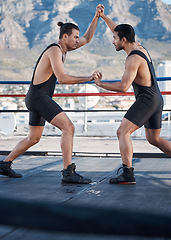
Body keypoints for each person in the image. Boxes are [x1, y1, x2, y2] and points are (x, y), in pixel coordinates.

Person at [0, 7, 100, 184]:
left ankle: (5, 164)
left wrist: (96, 17)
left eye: (77, 37)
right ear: (65, 36)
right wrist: (88, 78)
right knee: (68, 127)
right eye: (75, 37)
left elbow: (88, 38)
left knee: (34, 138)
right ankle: (68, 172)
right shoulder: (55, 50)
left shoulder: (63, 50)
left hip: (35, 97)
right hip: (38, 97)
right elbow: (62, 78)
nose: (78, 40)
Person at [93, 4, 171, 184]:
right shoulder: (138, 46)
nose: (113, 41)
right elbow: (118, 29)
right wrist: (103, 17)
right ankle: (128, 172)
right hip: (157, 98)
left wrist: (100, 84)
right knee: (154, 138)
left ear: (124, 40)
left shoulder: (132, 59)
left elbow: (123, 87)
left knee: (122, 131)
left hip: (147, 100)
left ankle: (128, 173)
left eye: (115, 38)